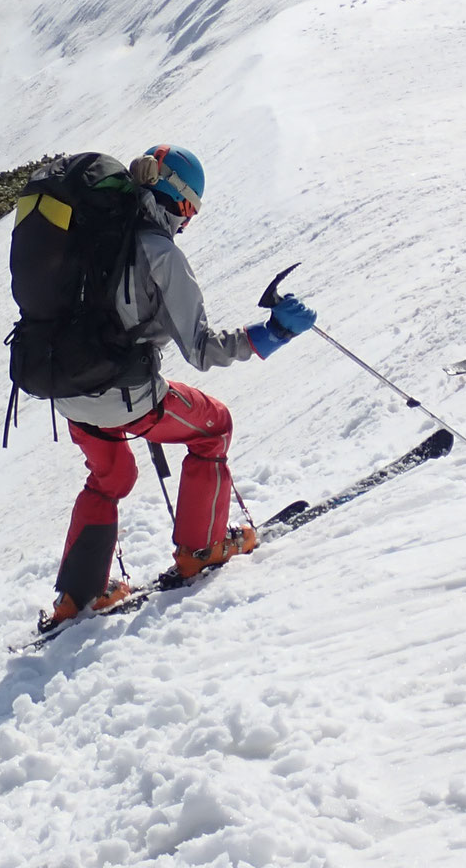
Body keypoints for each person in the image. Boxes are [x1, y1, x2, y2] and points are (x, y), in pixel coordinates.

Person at [45, 144, 316, 627]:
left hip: (64, 392)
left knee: (112, 477)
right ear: (174, 199)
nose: (187, 222)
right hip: (126, 396)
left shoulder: (84, 238)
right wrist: (272, 334)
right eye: (189, 208)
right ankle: (202, 550)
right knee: (213, 426)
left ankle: (75, 597)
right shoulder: (160, 252)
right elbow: (203, 349)